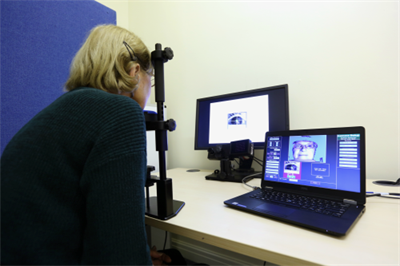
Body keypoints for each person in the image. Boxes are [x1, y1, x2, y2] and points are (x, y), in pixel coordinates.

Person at [0, 24, 172, 265]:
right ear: (134, 73)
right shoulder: (122, 112)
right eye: (149, 82)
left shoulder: (58, 111)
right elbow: (120, 255)